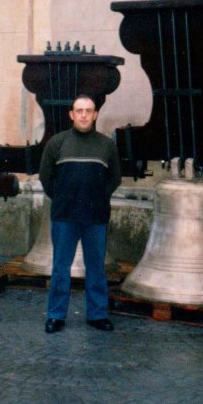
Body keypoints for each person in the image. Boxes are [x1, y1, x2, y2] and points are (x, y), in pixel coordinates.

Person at [38, 94, 122, 334]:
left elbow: (114, 178)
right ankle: (56, 315)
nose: (84, 115)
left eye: (89, 110)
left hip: (96, 217)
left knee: (96, 267)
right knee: (60, 267)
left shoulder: (106, 145)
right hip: (65, 216)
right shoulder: (57, 143)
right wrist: (64, 197)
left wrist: (96, 198)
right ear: (71, 114)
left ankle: (97, 315)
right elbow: (46, 177)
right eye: (79, 110)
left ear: (95, 114)